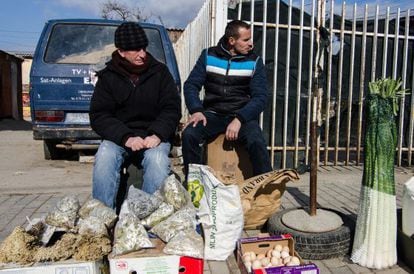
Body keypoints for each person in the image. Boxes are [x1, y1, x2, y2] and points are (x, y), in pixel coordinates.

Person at [89, 22, 181, 209]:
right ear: (121, 51)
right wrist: (126, 137)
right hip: (120, 138)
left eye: (144, 48)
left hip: (153, 137)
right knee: (105, 156)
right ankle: (101, 216)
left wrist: (157, 134)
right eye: (135, 50)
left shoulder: (160, 72)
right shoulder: (108, 77)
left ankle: (147, 216)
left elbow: (171, 108)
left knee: (157, 160)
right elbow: (99, 115)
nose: (142, 54)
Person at [182, 19, 272, 177]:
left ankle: (265, 189)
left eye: (250, 39)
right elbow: (191, 85)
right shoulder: (208, 55)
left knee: (256, 141)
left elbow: (261, 97)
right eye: (246, 40)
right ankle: (195, 184)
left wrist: (239, 119)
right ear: (231, 41)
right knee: (189, 135)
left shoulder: (255, 61)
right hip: (212, 114)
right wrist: (196, 110)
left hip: (241, 116)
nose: (251, 44)